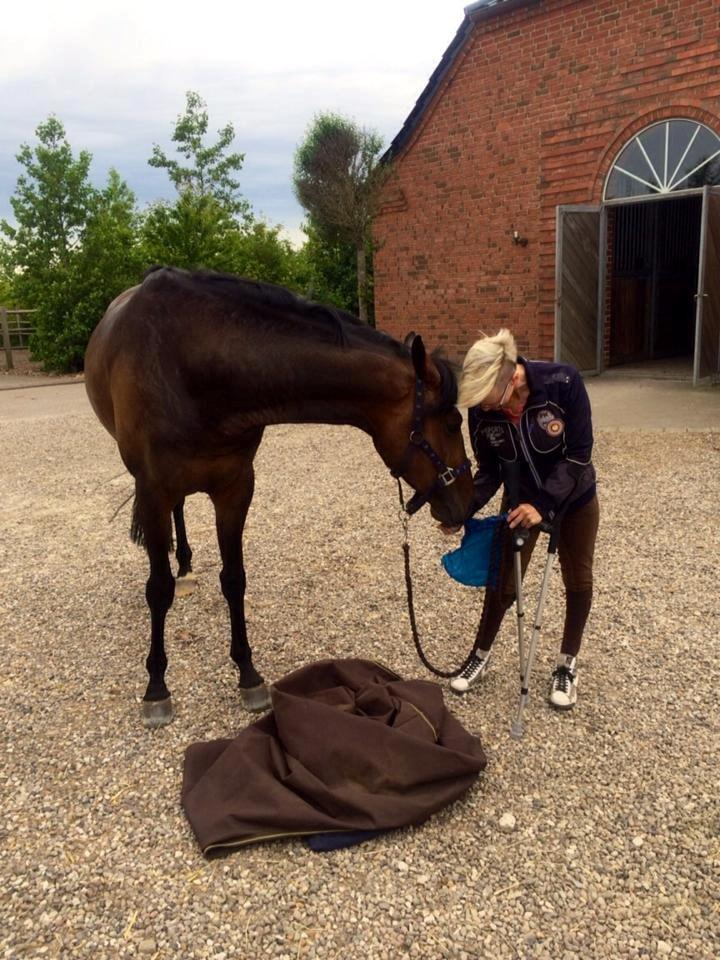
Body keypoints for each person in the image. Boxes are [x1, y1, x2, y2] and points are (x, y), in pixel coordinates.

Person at [445, 329, 599, 710]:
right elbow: (489, 469)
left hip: (575, 499)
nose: (483, 406)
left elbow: (579, 454)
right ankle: (480, 653)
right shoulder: (482, 411)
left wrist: (544, 505)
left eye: (486, 396)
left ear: (511, 376)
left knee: (577, 578)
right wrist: (461, 511)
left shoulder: (563, 382)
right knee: (503, 580)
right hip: (519, 501)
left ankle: (567, 664)